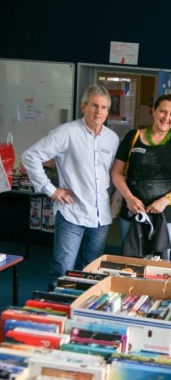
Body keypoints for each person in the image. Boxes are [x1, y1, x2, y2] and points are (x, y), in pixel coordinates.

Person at [22, 85, 119, 289]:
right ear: (83, 107)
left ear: (108, 111)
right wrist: (51, 190)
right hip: (71, 212)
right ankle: (56, 309)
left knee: (93, 269)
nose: (98, 111)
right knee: (63, 269)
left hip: (101, 214)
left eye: (103, 107)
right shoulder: (67, 132)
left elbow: (110, 173)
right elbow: (30, 156)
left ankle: (83, 311)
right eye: (94, 105)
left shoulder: (112, 139)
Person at [110, 94, 171, 257]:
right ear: (153, 111)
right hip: (133, 210)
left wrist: (164, 201)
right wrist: (129, 198)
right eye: (163, 111)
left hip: (166, 214)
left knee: (161, 263)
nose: (167, 117)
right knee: (129, 259)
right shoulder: (133, 137)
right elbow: (116, 173)